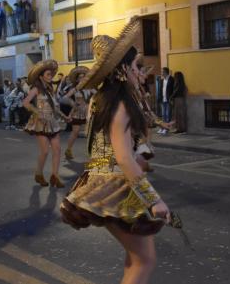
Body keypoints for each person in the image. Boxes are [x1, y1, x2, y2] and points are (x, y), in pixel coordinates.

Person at [60, 19, 171, 284]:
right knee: (145, 260)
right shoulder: (120, 103)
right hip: (115, 183)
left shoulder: (100, 99)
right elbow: (122, 157)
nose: (138, 73)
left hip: (99, 179)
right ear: (122, 69)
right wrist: (154, 199)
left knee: (134, 258)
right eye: (135, 67)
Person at [23, 59, 71, 187]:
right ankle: (39, 174)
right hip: (40, 123)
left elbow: (55, 107)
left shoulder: (50, 90)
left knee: (57, 149)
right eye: (48, 74)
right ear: (41, 76)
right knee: (44, 151)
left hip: (52, 122)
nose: (51, 77)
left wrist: (65, 117)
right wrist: (38, 113)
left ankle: (55, 176)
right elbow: (25, 103)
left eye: (51, 74)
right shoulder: (36, 89)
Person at [62, 66, 90, 161]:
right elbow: (65, 98)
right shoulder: (75, 89)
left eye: (83, 76)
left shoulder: (90, 87)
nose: (82, 78)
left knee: (91, 133)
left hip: (88, 112)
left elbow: (97, 95)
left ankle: (93, 153)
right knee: (75, 132)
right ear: (77, 79)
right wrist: (73, 103)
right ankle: (68, 151)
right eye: (80, 77)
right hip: (77, 112)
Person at [158, 67, 174, 135]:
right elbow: (160, 90)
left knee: (168, 115)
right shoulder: (162, 80)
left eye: (162, 71)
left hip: (168, 100)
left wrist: (171, 98)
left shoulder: (171, 79)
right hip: (163, 99)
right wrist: (159, 98)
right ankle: (162, 128)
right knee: (163, 115)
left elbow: (173, 90)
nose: (161, 73)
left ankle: (166, 129)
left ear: (166, 72)